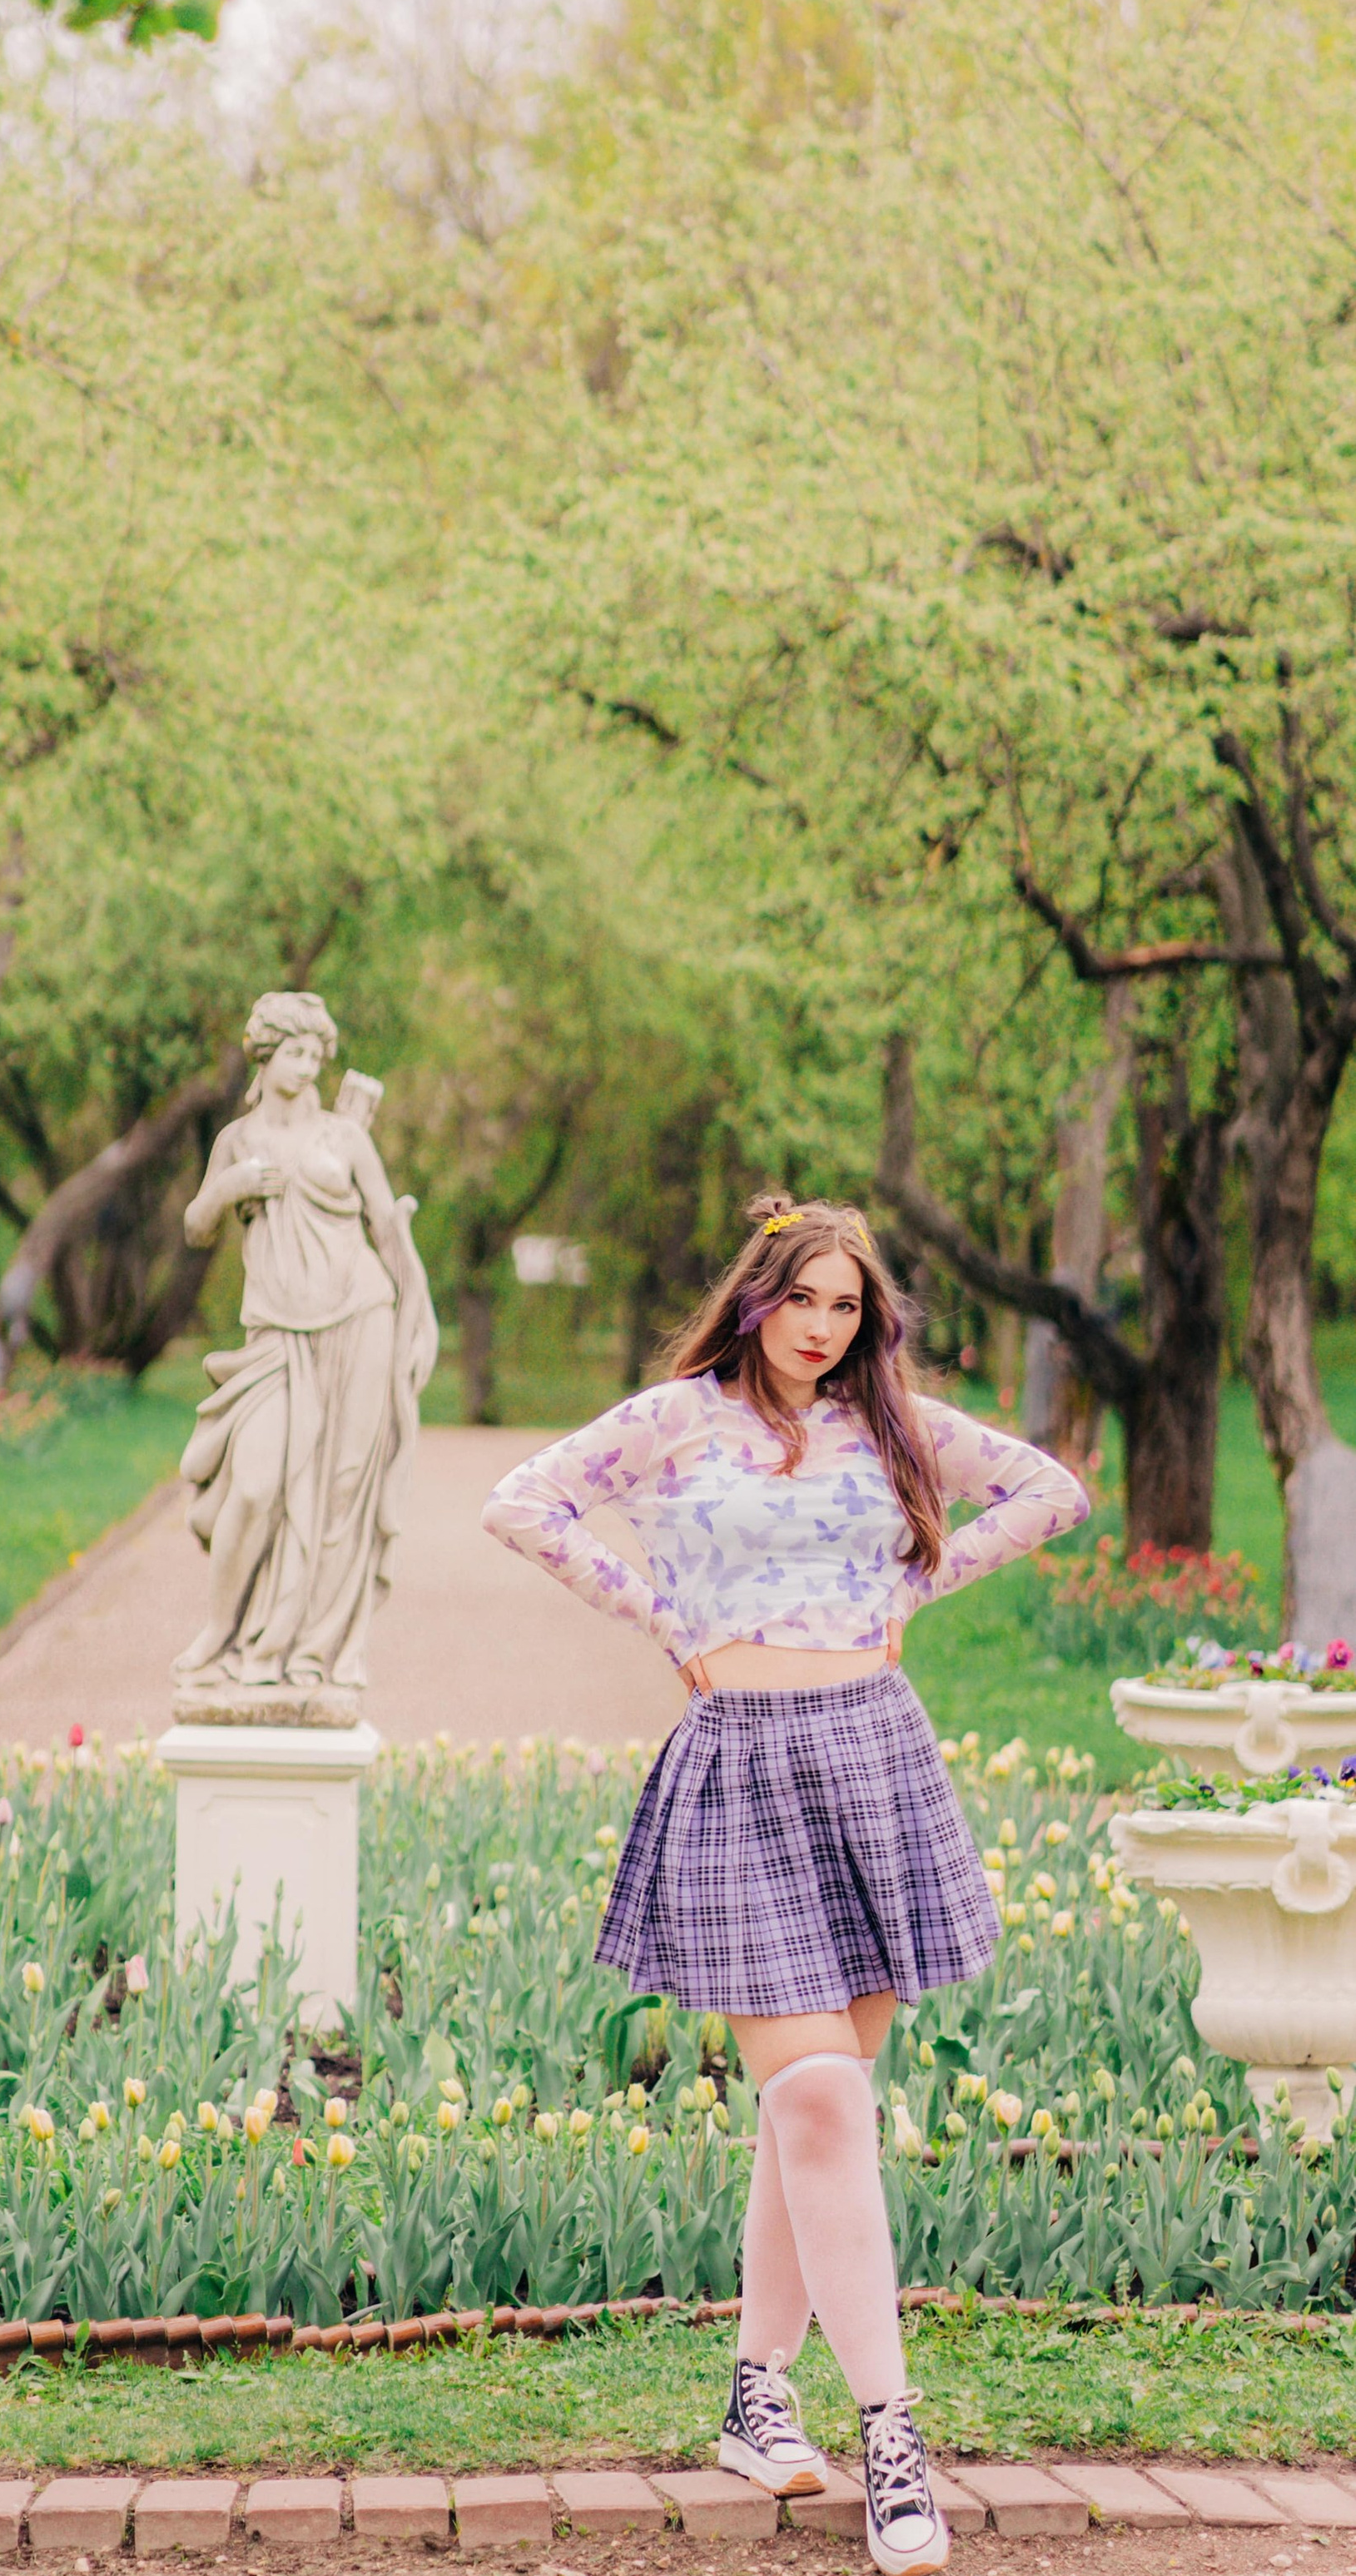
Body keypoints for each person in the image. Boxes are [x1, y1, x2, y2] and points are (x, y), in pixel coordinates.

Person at [482, 1195, 1088, 2576]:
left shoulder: (892, 1425)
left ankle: (762, 2397)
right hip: (740, 1766)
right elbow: (520, 1503)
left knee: (809, 2113)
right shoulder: (677, 1419)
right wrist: (658, 1613)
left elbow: (1051, 1491)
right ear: (756, 1296)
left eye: (847, 1309)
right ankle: (894, 2438)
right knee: (816, 2097)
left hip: (873, 1756)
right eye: (802, 1300)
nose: (823, 1329)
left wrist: (916, 1587)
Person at [174, 991, 435, 1695]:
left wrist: (418, 1319)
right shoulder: (237, 1140)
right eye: (296, 1052)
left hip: (361, 1317)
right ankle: (222, 1632)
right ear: (266, 1054)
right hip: (276, 1334)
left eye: (318, 1054)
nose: (310, 1065)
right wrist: (230, 1186)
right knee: (256, 1487)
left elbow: (388, 1228)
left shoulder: (345, 1137)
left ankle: (310, 1650)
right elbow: (197, 1225)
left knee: (344, 1490)